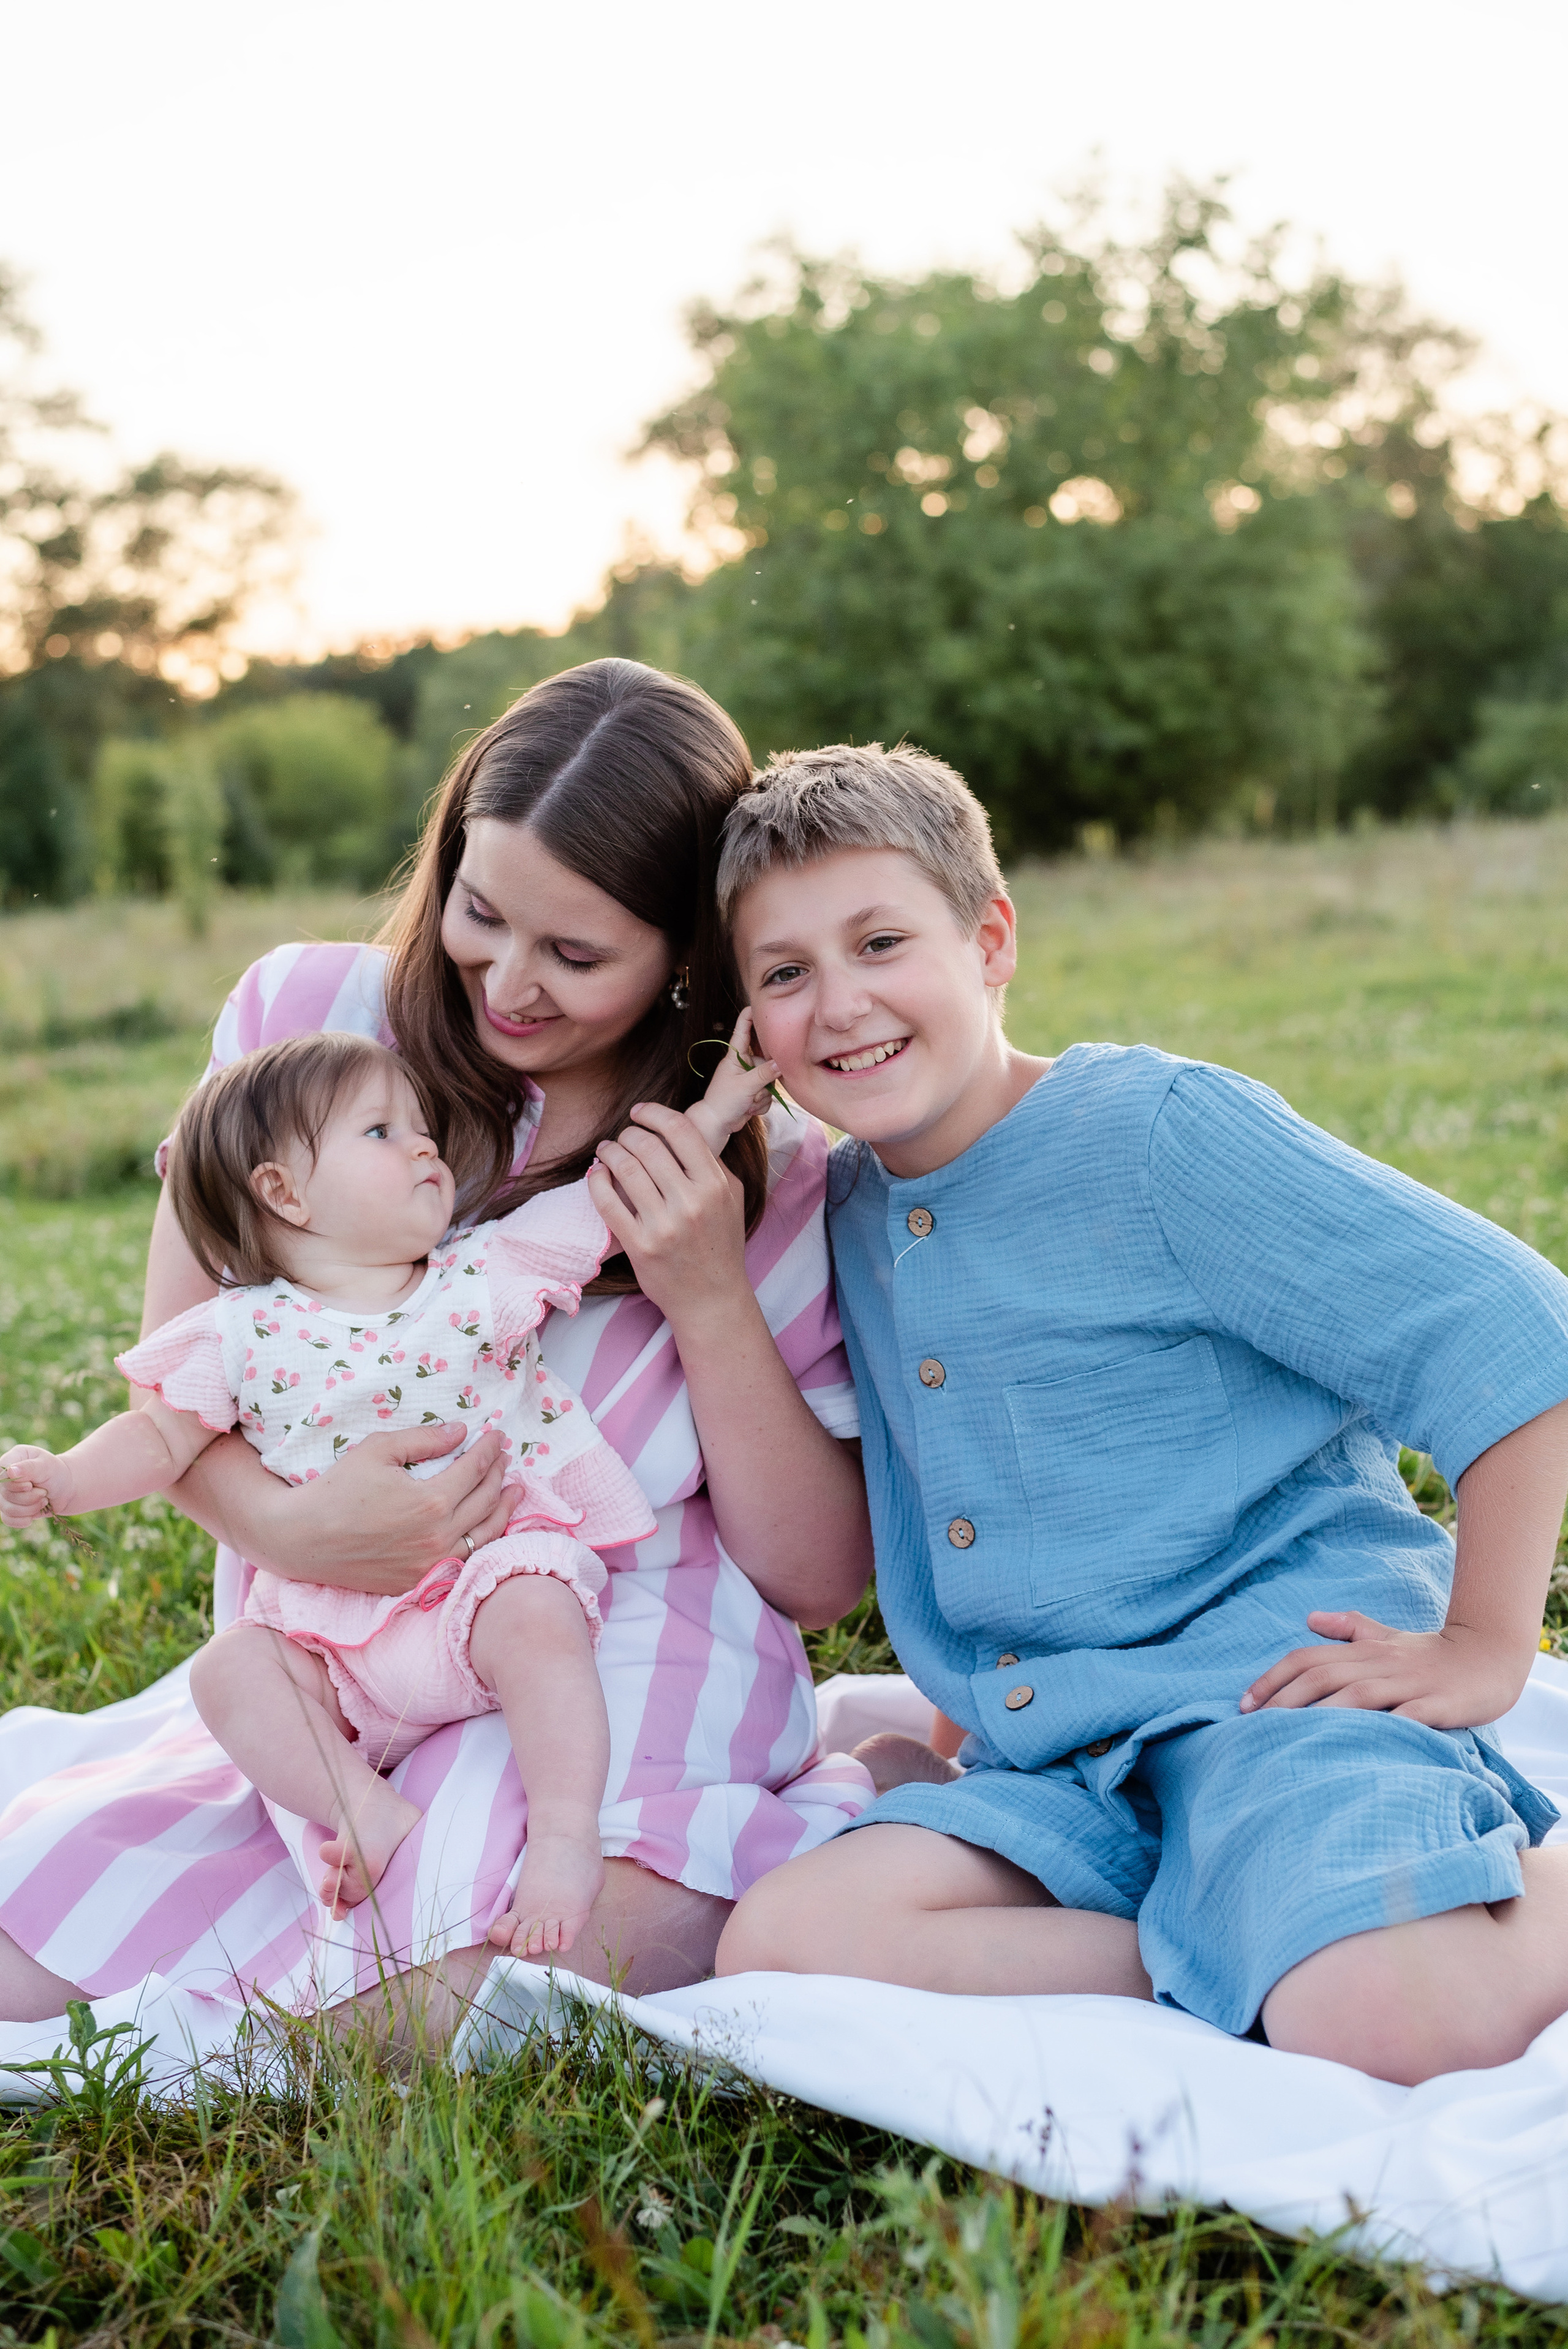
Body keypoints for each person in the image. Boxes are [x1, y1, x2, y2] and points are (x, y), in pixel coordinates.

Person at [0, 661, 872, 2033]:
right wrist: (294, 1532)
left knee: (445, 1985)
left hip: (608, 1630)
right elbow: (183, 1372)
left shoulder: (778, 1168)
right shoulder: (303, 1028)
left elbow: (812, 1580)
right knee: (39, 1969)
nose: (508, 984)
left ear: (683, 956)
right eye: (481, 913)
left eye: (575, 955)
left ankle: (835, 1799)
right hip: (343, 1640)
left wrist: (704, 1290)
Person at [712, 742, 1568, 2088]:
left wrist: (1483, 1645)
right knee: (787, 1938)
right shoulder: (844, 1211)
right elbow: (1006, 1502)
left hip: (1279, 1697)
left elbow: (1512, 1326)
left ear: (990, 940)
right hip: (1071, 1760)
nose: (839, 1004)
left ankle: (1362, 1928)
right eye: (783, 975)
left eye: (880, 942)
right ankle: (1228, 1944)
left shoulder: (1155, 1134)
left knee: (1399, 2019)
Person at [1, 1023, 779, 1951]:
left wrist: (719, 1111)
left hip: (481, 1588)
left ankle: (565, 1837)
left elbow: (610, 1200)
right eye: (381, 1132)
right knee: (230, 1672)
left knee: (540, 1614)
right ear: (284, 1192)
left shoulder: (481, 1272)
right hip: (336, 1637)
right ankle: (357, 1805)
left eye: (422, 1129)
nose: (423, 1147)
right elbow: (159, 1437)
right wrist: (64, 1480)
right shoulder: (238, 1333)